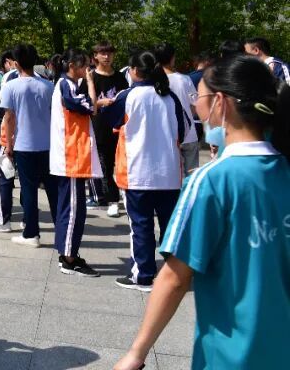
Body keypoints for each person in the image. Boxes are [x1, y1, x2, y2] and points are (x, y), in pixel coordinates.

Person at [113, 54, 290, 370]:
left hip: (230, 357)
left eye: (200, 98)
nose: (195, 105)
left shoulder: (211, 181)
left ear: (221, 103)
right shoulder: (283, 171)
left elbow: (174, 278)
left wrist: (136, 354)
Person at [98, 51, 187, 293]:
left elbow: (110, 120)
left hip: (137, 171)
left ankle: (143, 274)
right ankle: (175, 272)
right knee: (170, 226)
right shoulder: (170, 97)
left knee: (140, 226)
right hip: (169, 172)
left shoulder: (128, 96)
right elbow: (182, 131)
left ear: (135, 71)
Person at [46, 50, 101, 277]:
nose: (88, 69)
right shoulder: (66, 85)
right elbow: (92, 107)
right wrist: (91, 83)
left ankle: (68, 253)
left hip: (72, 156)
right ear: (72, 65)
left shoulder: (67, 85)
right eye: (85, 65)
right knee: (73, 210)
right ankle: (69, 258)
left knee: (70, 208)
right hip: (71, 157)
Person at [0, 44, 56, 247]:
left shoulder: (11, 86)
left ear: (16, 63)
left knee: (29, 191)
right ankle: (62, 230)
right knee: (54, 192)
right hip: (48, 145)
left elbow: (9, 118)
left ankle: (31, 233)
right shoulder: (48, 86)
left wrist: (8, 144)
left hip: (24, 145)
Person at [80, 41, 130, 217]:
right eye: (103, 53)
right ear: (95, 56)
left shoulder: (120, 78)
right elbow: (83, 103)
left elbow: (128, 99)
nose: (107, 57)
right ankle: (112, 200)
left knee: (123, 164)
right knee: (105, 167)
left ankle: (124, 195)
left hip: (119, 128)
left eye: (110, 53)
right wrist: (99, 103)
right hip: (99, 128)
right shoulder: (90, 78)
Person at [153, 43, 200, 174]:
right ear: (173, 57)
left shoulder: (153, 82)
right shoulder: (184, 79)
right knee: (191, 175)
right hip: (189, 134)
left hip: (166, 136)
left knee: (172, 177)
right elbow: (195, 105)